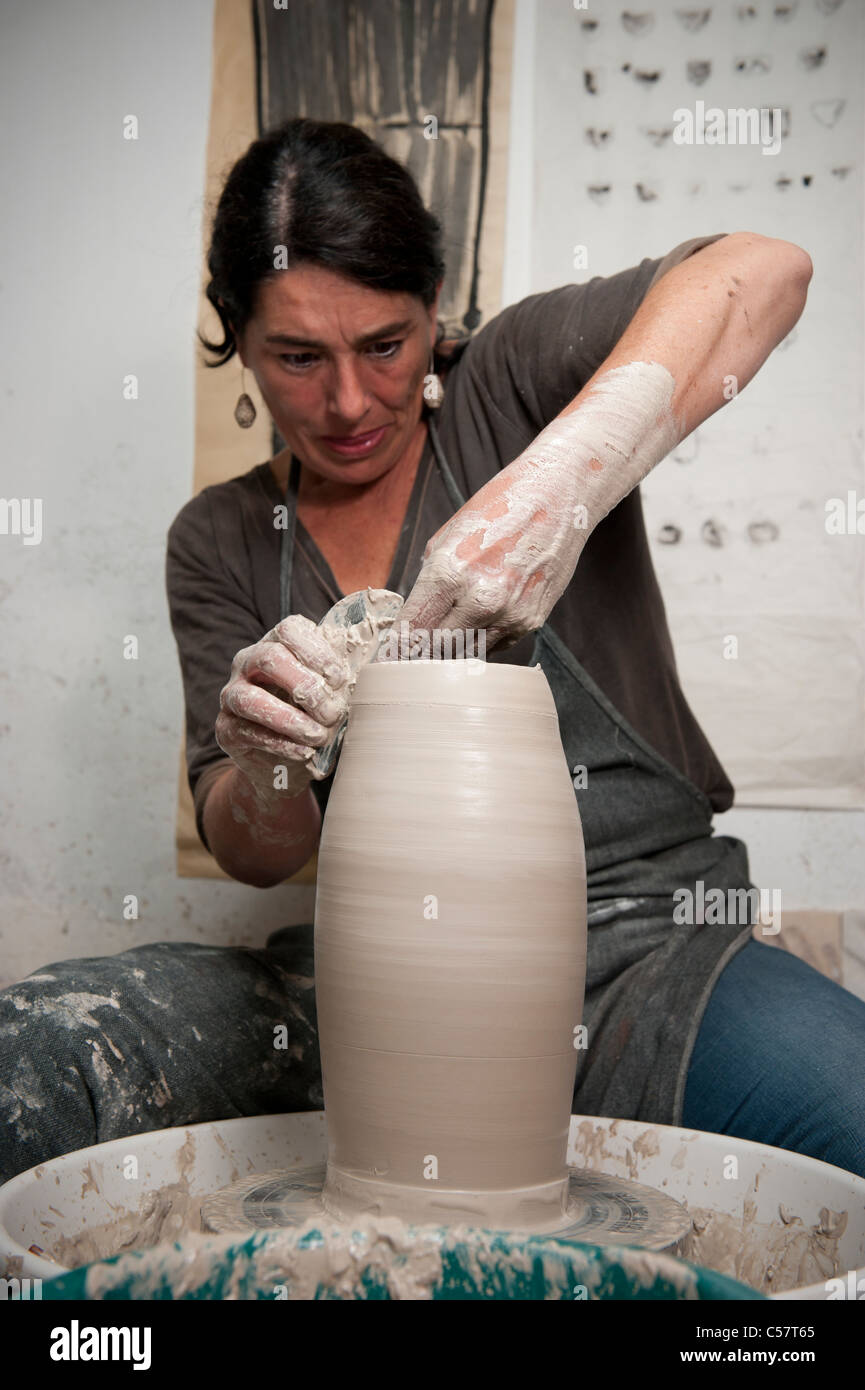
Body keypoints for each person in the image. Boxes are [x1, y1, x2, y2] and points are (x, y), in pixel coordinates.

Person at [2, 117, 863, 1189]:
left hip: (648, 945)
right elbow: (257, 848)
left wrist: (564, 481)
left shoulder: (510, 383)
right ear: (235, 336)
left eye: (384, 346)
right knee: (35, 1056)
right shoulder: (219, 538)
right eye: (298, 358)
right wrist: (266, 755)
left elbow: (765, 271)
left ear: (435, 315)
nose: (351, 401)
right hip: (376, 972)